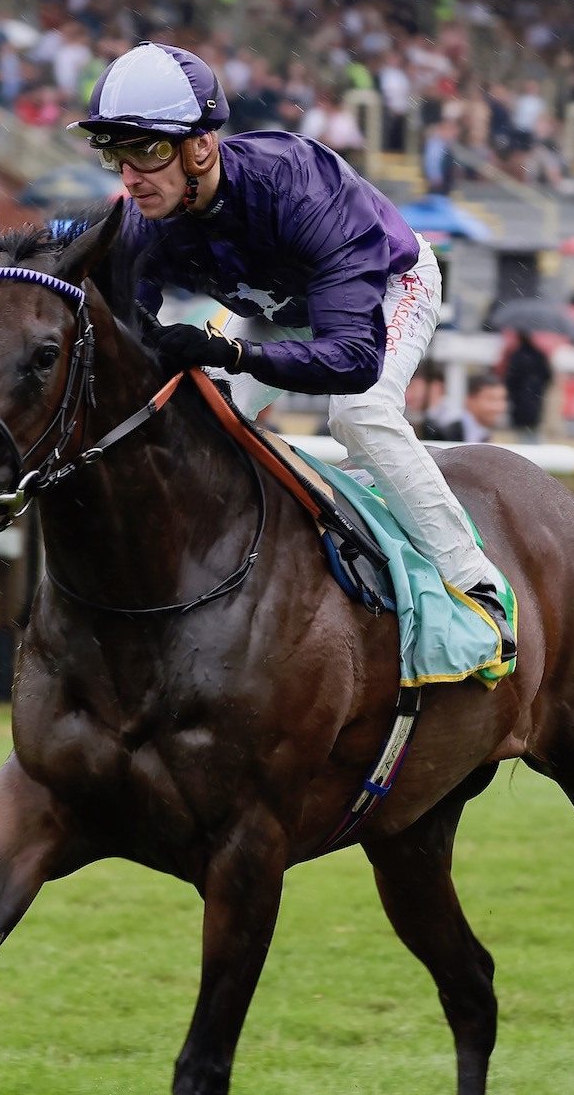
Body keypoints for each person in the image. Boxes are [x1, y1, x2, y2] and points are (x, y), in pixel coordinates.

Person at [78, 43, 513, 653]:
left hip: (387, 287)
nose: (129, 176)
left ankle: (475, 582)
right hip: (278, 309)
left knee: (358, 413)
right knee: (194, 415)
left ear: (201, 147)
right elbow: (119, 326)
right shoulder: (146, 219)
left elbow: (353, 360)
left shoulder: (301, 187)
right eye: (115, 155)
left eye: (147, 152)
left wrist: (233, 356)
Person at [426, 372, 509, 444]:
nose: (498, 407)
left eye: (502, 399)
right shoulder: (444, 435)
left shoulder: (501, 436)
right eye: (491, 399)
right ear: (469, 400)